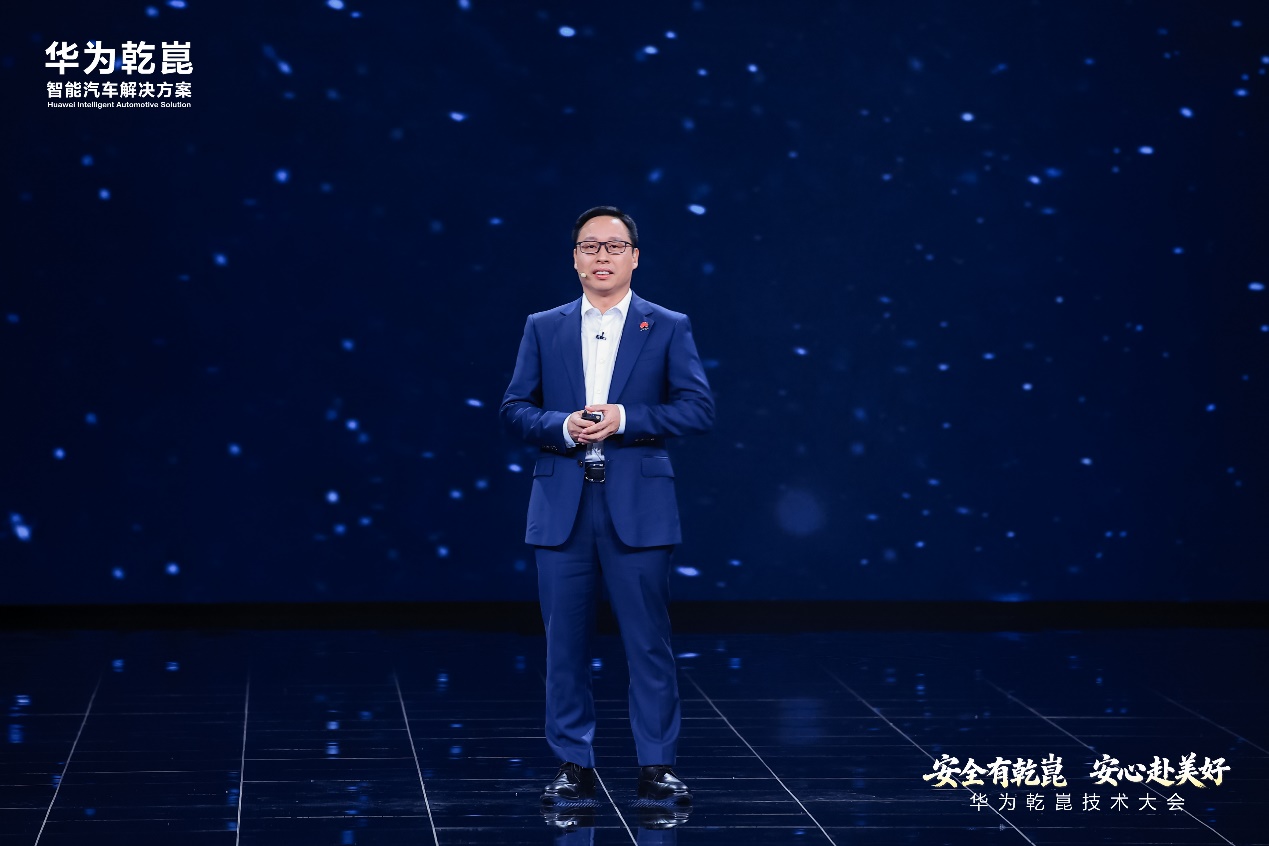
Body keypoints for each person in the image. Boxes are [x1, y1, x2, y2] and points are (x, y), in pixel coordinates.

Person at [501, 206, 714, 806]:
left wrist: (625, 418)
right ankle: (574, 765)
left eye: (614, 246)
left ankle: (657, 767)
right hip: (562, 504)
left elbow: (698, 409)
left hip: (638, 504)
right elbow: (514, 409)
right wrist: (561, 426)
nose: (601, 256)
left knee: (648, 642)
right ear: (574, 258)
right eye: (589, 246)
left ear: (634, 257)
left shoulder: (667, 325)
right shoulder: (543, 326)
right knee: (563, 645)